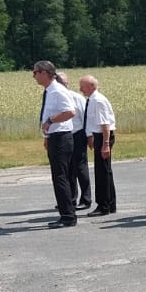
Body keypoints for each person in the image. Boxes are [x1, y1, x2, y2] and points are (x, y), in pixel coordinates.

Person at [33, 60, 78, 228]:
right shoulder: (49, 91)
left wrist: (50, 121)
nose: (34, 76)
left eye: (35, 72)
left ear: (44, 73)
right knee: (59, 176)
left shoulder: (58, 90)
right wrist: (46, 135)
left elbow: (70, 112)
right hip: (54, 137)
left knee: (60, 177)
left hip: (61, 138)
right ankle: (66, 213)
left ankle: (68, 216)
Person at [81, 74, 117, 216]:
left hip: (103, 136)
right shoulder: (92, 100)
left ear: (91, 86)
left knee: (102, 172)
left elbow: (105, 124)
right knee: (105, 171)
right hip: (99, 136)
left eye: (83, 86)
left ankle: (104, 205)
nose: (81, 89)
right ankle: (110, 203)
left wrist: (105, 144)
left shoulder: (98, 100)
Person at [57, 71, 91, 211]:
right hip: (64, 135)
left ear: (67, 83)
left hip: (78, 134)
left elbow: (85, 118)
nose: (62, 85)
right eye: (59, 82)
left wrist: (88, 136)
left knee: (80, 167)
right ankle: (70, 198)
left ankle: (86, 199)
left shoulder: (77, 98)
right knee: (68, 168)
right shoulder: (55, 98)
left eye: (64, 83)